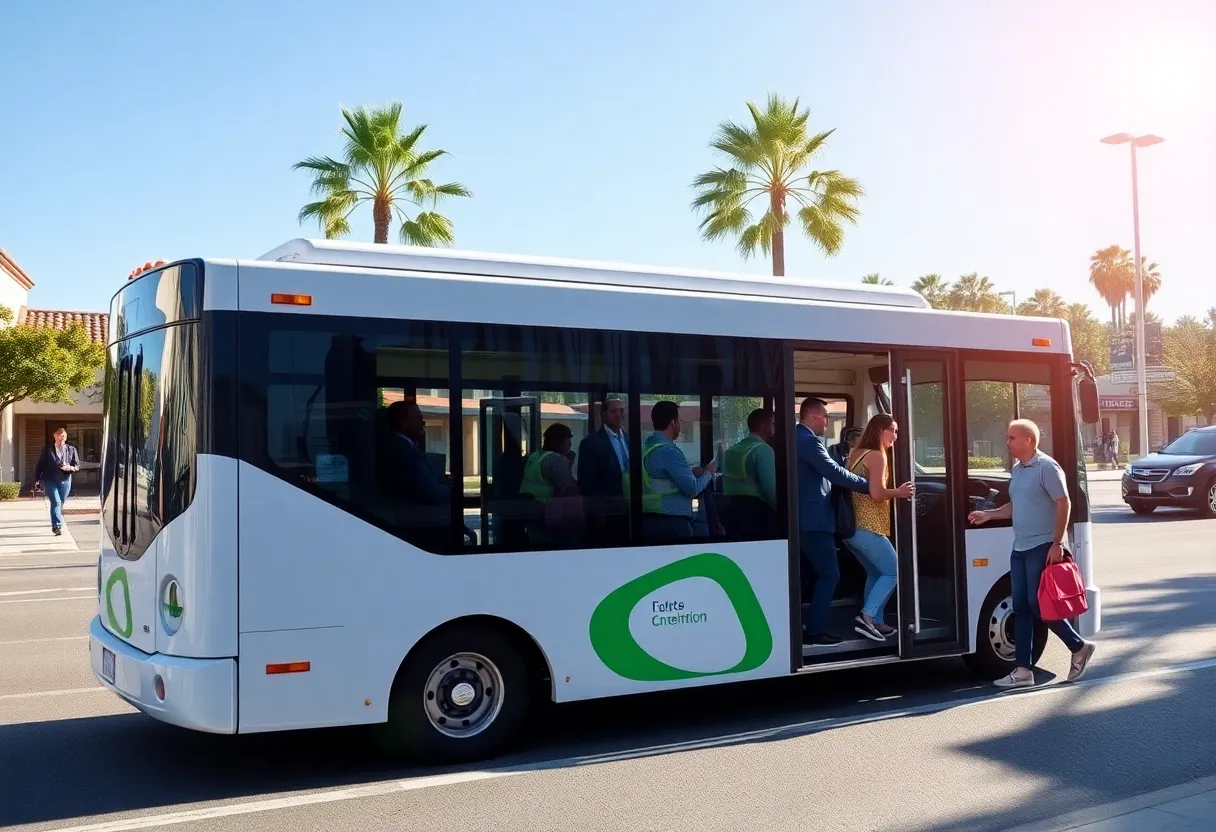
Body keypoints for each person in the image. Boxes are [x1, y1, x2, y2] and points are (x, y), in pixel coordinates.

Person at [969, 418, 1096, 688]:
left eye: (1012, 438)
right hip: (1020, 546)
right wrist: (988, 515)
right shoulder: (1018, 470)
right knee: (1022, 606)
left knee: (1039, 605)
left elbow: (1064, 503)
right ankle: (1023, 671)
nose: (1007, 442)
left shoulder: (1047, 468)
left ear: (1028, 440)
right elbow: (1014, 506)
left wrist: (1057, 543)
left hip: (1042, 546)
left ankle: (1079, 646)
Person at [797, 397, 869, 645]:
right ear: (815, 416)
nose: (827, 421)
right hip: (814, 521)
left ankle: (799, 624)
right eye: (826, 416)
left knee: (804, 575)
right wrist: (869, 486)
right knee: (830, 575)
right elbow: (834, 472)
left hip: (803, 520)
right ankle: (814, 631)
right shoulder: (809, 441)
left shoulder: (796, 438)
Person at [842, 415, 914, 641]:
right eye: (892, 430)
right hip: (868, 527)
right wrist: (899, 493)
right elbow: (877, 493)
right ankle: (868, 616)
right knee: (894, 571)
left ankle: (878, 620)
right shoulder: (876, 456)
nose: (895, 436)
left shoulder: (856, 453)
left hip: (851, 529)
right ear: (879, 431)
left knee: (876, 572)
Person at [641, 400, 715, 539]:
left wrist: (692, 471)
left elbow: (661, 477)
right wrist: (708, 473)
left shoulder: (647, 446)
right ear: (673, 422)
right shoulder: (668, 451)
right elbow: (692, 488)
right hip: (672, 522)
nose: (680, 425)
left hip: (650, 519)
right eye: (679, 420)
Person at [576, 397, 630, 544]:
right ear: (603, 415)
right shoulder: (591, 443)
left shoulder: (629, 439)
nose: (619, 415)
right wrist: (598, 512)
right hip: (607, 513)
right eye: (614, 411)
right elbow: (586, 483)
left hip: (630, 509)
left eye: (621, 411)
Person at [520, 423, 582, 545]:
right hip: (551, 516)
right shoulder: (556, 460)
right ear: (561, 441)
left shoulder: (535, 456)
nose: (570, 443)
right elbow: (567, 488)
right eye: (568, 439)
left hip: (532, 513)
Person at [34, 428, 80, 536]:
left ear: (66, 437)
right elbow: (40, 465)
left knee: (61, 502)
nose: (62, 437)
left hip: (65, 480)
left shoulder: (71, 449)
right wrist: (37, 479)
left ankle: (57, 520)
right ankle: (57, 526)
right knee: (56, 502)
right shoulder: (47, 449)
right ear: (54, 436)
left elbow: (77, 466)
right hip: (50, 480)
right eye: (59, 435)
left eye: (64, 435)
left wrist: (71, 468)